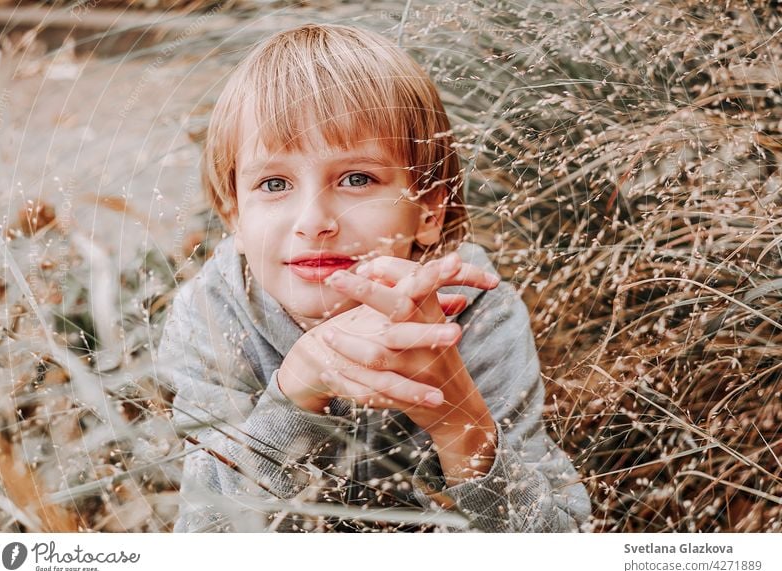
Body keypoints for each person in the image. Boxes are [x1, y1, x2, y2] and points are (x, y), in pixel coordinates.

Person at [159, 22, 592, 533]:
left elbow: (562, 544)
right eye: (274, 183)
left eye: (357, 179)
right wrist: (297, 391)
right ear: (235, 215)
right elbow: (208, 537)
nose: (314, 220)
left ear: (428, 211)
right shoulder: (210, 315)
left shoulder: (475, 313)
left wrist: (459, 422)